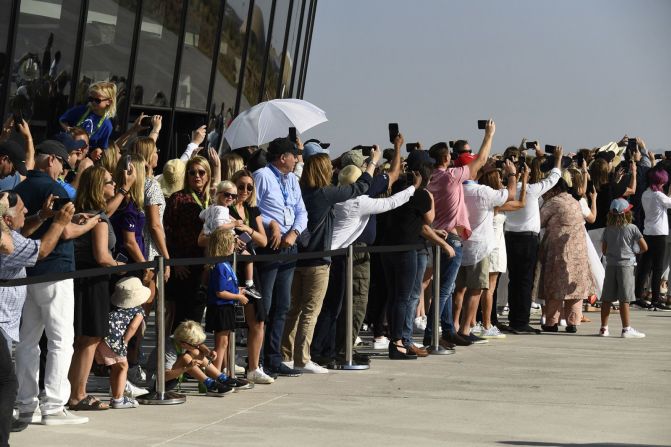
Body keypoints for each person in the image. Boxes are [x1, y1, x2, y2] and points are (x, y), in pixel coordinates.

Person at [14, 140, 99, 426]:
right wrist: (91, 223)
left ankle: (27, 404)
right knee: (61, 340)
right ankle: (53, 406)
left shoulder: (20, 188)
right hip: (56, 270)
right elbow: (64, 231)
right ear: (51, 160)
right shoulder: (55, 188)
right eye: (62, 163)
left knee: (28, 340)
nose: (63, 169)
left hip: (27, 272)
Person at [282, 148, 377, 373]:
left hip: (297, 258)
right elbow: (360, 187)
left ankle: (286, 355)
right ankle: (302, 359)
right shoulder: (325, 193)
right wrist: (372, 163)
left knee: (293, 310)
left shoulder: (300, 191)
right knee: (310, 311)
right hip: (317, 261)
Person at [0, 191, 74, 438]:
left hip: (6, 323)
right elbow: (40, 251)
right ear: (7, 220)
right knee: (7, 383)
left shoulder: (7, 233)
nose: (26, 214)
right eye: (22, 211)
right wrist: (60, 223)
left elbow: (22, 233)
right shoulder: (5, 242)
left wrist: (42, 216)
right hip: (0, 324)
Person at [423, 120, 496, 348]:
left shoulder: (430, 178)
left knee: (446, 287)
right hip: (451, 238)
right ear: (446, 159)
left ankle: (447, 329)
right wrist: (489, 135)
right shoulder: (449, 177)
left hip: (438, 237)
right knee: (444, 290)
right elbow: (481, 161)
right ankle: (431, 333)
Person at [253, 137, 307, 377]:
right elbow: (252, 209)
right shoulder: (262, 176)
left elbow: (301, 211)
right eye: (293, 154)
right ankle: (258, 358)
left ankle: (274, 357)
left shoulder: (293, 180)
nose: (296, 159)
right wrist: (271, 223)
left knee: (283, 304)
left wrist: (295, 232)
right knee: (265, 304)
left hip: (289, 246)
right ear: (282, 157)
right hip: (269, 245)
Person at [67, 166, 119, 412]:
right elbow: (102, 257)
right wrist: (124, 265)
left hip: (81, 280)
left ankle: (73, 391)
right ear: (99, 187)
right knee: (89, 338)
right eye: (110, 182)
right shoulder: (97, 219)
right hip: (93, 281)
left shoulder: (82, 214)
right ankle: (78, 394)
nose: (114, 186)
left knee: (82, 339)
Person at [453, 159, 518, 344]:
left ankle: (455, 326)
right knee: (475, 290)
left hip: (460, 244)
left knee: (459, 290)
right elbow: (511, 195)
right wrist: (512, 173)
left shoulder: (456, 188)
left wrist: (482, 169)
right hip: (479, 248)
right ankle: (466, 329)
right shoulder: (483, 192)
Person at [503, 143, 562, 334]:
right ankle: (520, 321)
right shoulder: (531, 190)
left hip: (510, 237)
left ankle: (514, 319)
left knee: (515, 280)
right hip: (527, 240)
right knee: (526, 281)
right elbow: (554, 178)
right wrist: (558, 160)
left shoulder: (506, 191)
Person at [229, 169, 273, 384]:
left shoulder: (251, 209)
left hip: (250, 267)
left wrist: (246, 227)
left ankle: (253, 367)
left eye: (249, 187)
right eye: (240, 186)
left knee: (258, 319)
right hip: (230, 266)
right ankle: (227, 369)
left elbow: (263, 241)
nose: (244, 191)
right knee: (228, 321)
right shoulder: (226, 206)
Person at [475, 160, 528, 338]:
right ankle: (487, 324)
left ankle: (476, 322)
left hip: (487, 245)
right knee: (488, 289)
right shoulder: (495, 202)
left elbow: (520, 203)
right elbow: (519, 201)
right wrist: (517, 176)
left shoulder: (481, 198)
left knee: (478, 288)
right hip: (495, 247)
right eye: (498, 177)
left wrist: (522, 177)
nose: (501, 180)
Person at [538, 178, 594, 333]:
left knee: (555, 284)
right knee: (574, 286)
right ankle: (572, 322)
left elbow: (538, 221)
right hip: (579, 249)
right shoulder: (575, 201)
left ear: (554, 189)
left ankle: (551, 322)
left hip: (558, 249)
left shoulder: (553, 202)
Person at [164, 156, 212, 331]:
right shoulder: (178, 198)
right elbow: (167, 233)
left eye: (201, 172)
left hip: (206, 264)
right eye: (192, 172)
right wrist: (175, 262)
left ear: (208, 175)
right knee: (183, 318)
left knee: (198, 315)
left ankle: (191, 356)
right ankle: (178, 356)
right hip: (184, 264)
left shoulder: (212, 198)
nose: (197, 176)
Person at [203, 228, 251, 389]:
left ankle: (223, 374)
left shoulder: (225, 264)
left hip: (226, 308)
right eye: (231, 243)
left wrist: (238, 291)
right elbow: (220, 292)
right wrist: (238, 297)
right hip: (220, 308)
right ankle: (216, 375)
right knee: (221, 343)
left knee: (225, 342)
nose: (234, 246)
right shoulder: (220, 266)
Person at [95, 277, 150, 408]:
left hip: (102, 337)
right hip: (115, 339)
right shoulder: (138, 310)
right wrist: (125, 342)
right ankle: (118, 399)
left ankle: (116, 396)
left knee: (116, 367)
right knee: (122, 367)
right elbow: (132, 328)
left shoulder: (113, 307)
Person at [600, 198, 648, 338]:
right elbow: (644, 247)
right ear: (627, 213)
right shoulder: (632, 228)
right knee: (624, 299)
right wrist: (634, 252)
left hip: (611, 265)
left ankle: (604, 328)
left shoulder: (608, 229)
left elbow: (604, 250)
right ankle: (626, 329)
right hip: (626, 265)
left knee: (607, 298)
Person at [146, 320, 233, 397]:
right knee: (185, 358)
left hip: (167, 378)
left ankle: (223, 378)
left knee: (196, 352)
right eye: (195, 345)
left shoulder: (177, 338)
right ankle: (210, 384)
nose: (198, 346)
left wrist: (208, 352)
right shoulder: (168, 350)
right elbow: (164, 376)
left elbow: (198, 346)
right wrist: (187, 368)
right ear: (184, 343)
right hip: (157, 383)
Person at [635, 168, 671, 310]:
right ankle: (655, 299)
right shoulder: (658, 195)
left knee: (645, 266)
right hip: (659, 233)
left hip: (648, 231)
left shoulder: (646, 193)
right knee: (658, 267)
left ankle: (638, 295)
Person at [59, 81, 116, 150]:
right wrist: (68, 128)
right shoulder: (81, 110)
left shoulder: (107, 125)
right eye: (91, 99)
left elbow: (102, 147)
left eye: (97, 100)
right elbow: (62, 120)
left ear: (109, 102)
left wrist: (98, 151)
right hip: (67, 147)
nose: (93, 102)